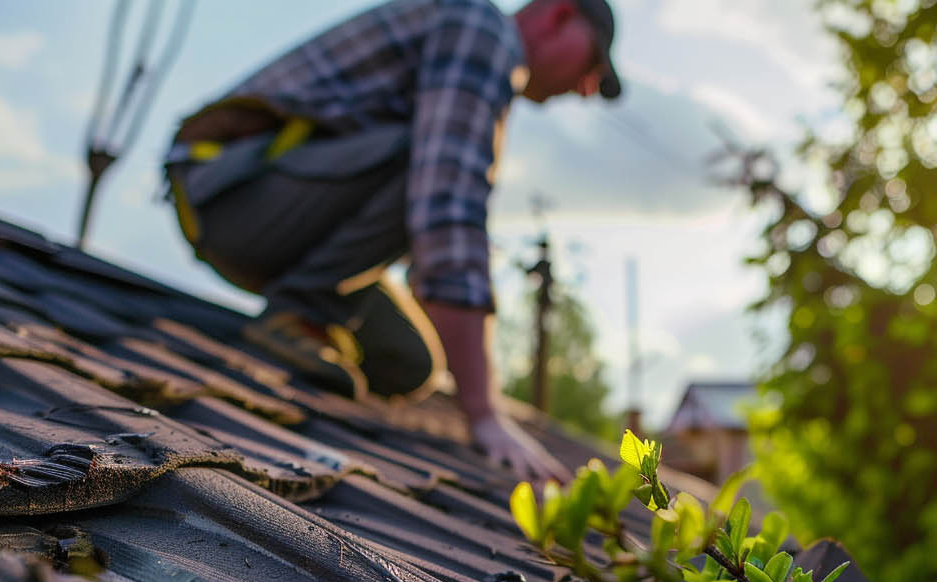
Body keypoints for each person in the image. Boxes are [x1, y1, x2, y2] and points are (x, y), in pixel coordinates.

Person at [163, 0, 622, 482]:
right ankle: (301, 310)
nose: (587, 90)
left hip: (274, 210)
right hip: (233, 193)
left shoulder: (474, 37)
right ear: (559, 14)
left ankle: (305, 309)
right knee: (431, 160)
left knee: (410, 364)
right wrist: (485, 413)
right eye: (592, 65)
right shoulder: (482, 27)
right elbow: (448, 203)